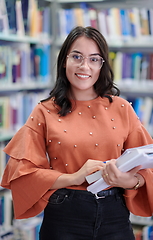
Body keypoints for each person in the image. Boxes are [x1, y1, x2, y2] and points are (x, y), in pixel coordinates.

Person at [1, 26, 153, 240]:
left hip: (115, 215)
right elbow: (22, 173)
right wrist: (75, 176)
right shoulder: (44, 111)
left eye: (94, 59)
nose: (84, 66)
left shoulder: (121, 108)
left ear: (102, 65)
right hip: (64, 217)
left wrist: (127, 181)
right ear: (64, 60)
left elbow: (148, 166)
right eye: (77, 57)